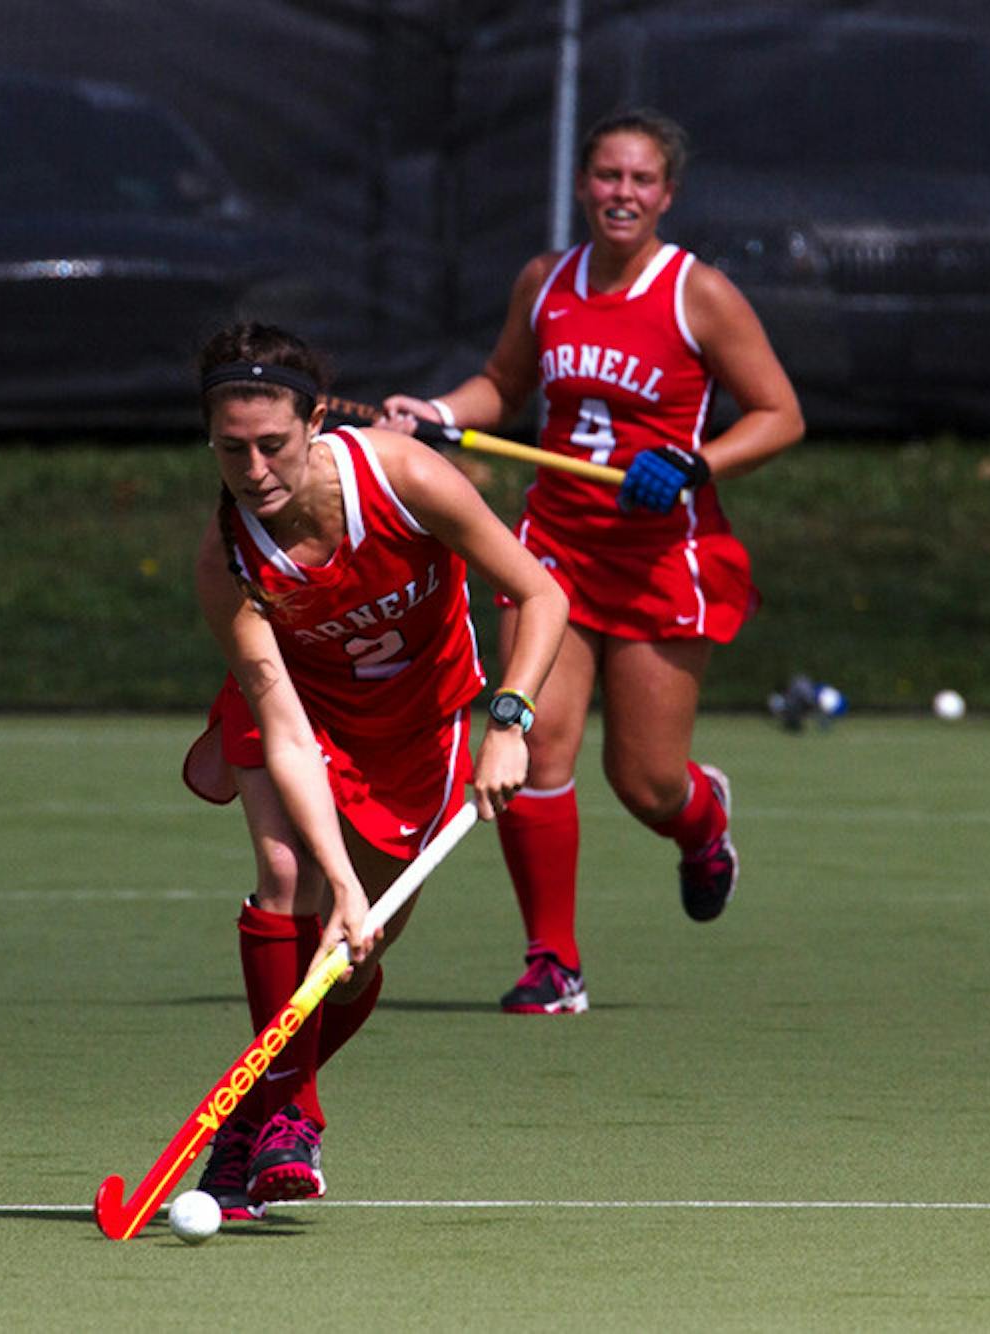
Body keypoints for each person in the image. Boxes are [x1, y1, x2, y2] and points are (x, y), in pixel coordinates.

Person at [380, 108, 803, 1016]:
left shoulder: (699, 294)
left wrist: (696, 463)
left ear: (667, 195)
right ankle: (554, 963)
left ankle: (703, 822)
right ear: (583, 185)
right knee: (531, 745)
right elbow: (504, 383)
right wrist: (439, 413)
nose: (623, 194)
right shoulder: (547, 280)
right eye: (608, 177)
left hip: (662, 555)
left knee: (645, 780)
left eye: (641, 180)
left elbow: (780, 415)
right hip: (552, 551)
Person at [180, 322, 567, 1218]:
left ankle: (247, 1121)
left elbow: (541, 591)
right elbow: (279, 727)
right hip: (299, 713)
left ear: (313, 421)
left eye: (273, 444)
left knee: (356, 955)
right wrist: (338, 876)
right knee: (289, 880)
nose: (255, 470)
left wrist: (509, 721)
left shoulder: (403, 479)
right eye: (231, 449)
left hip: (415, 724)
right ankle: (291, 1118)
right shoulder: (226, 561)